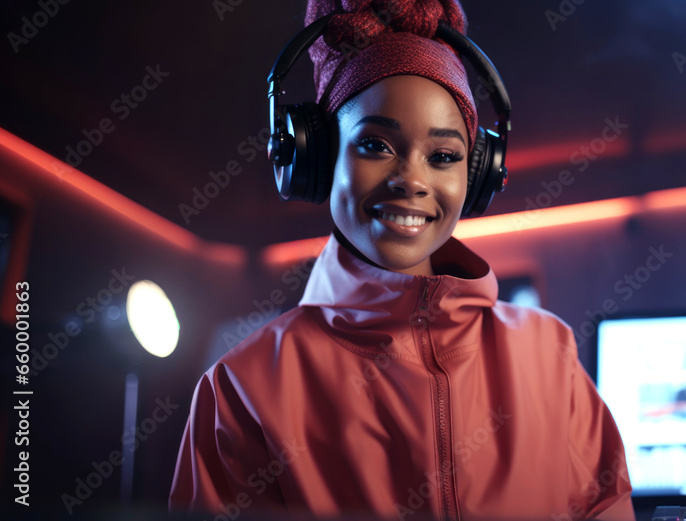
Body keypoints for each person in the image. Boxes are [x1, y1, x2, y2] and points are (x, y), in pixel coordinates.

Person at [168, 1, 634, 519]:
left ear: (478, 174)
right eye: (375, 144)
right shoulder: (241, 387)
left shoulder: (550, 352)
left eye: (443, 156)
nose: (412, 180)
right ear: (315, 157)